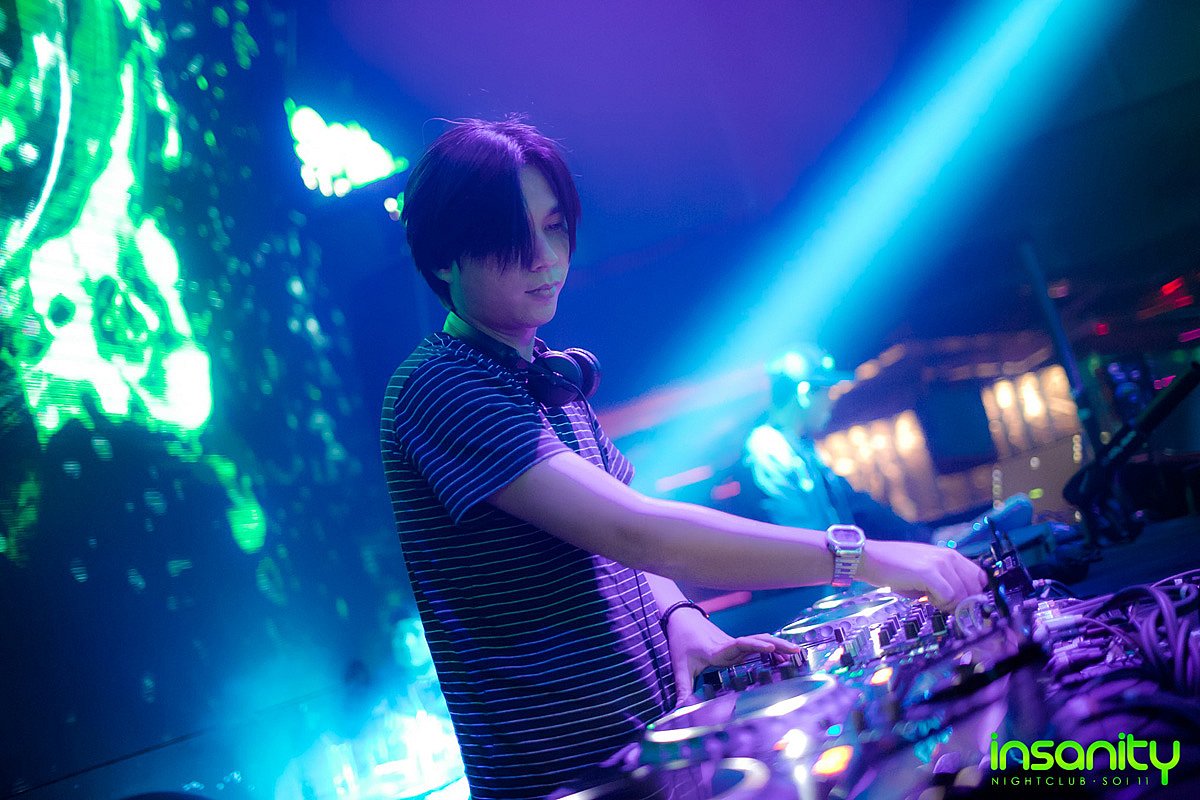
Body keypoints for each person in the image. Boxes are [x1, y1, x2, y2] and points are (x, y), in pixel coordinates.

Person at [380, 117, 986, 799]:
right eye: (513, 239)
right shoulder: (442, 385)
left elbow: (627, 544)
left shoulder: (541, 373)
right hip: (569, 783)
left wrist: (680, 618)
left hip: (651, 756)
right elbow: (636, 531)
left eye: (554, 227)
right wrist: (864, 556)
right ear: (444, 258)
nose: (545, 257)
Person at [744, 345, 1033, 544]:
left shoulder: (801, 449)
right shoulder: (769, 450)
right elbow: (803, 541)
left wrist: (928, 538)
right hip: (815, 598)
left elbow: (859, 506)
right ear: (805, 393)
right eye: (827, 392)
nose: (831, 401)